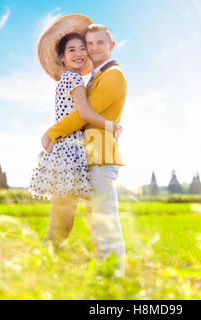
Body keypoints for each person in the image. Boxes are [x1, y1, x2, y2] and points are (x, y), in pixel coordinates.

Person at [35, 15, 128, 279]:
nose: (93, 48)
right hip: (80, 159)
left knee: (104, 225)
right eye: (90, 43)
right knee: (81, 224)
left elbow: (82, 115)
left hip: (98, 155)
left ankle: (111, 284)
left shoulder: (113, 75)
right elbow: (81, 114)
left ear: (111, 45)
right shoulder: (87, 79)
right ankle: (102, 280)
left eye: (99, 43)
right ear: (63, 57)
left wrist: (53, 132)